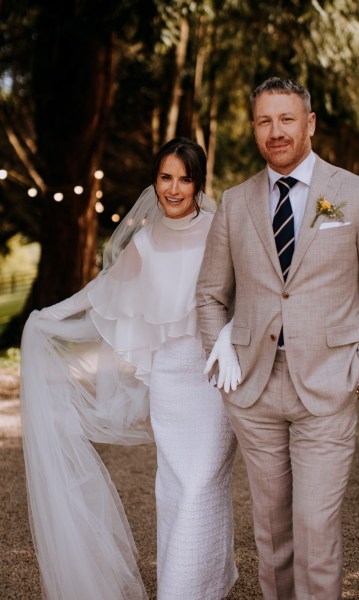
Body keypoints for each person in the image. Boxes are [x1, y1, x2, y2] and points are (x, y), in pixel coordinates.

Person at [196, 77, 359, 600]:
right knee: (272, 533)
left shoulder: (356, 194)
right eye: (264, 120)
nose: (275, 131)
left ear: (309, 124)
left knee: (316, 530)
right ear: (254, 129)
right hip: (254, 392)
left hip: (328, 388)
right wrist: (220, 360)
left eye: (286, 119)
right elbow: (210, 294)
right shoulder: (236, 202)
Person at [20, 137, 238, 600]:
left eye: (185, 178)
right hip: (170, 382)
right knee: (176, 487)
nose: (174, 189)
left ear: (198, 183)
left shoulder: (223, 231)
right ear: (155, 180)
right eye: (165, 177)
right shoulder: (144, 241)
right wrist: (48, 316)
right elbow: (100, 292)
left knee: (203, 484)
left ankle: (187, 589)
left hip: (213, 379)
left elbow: (246, 297)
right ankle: (200, 583)